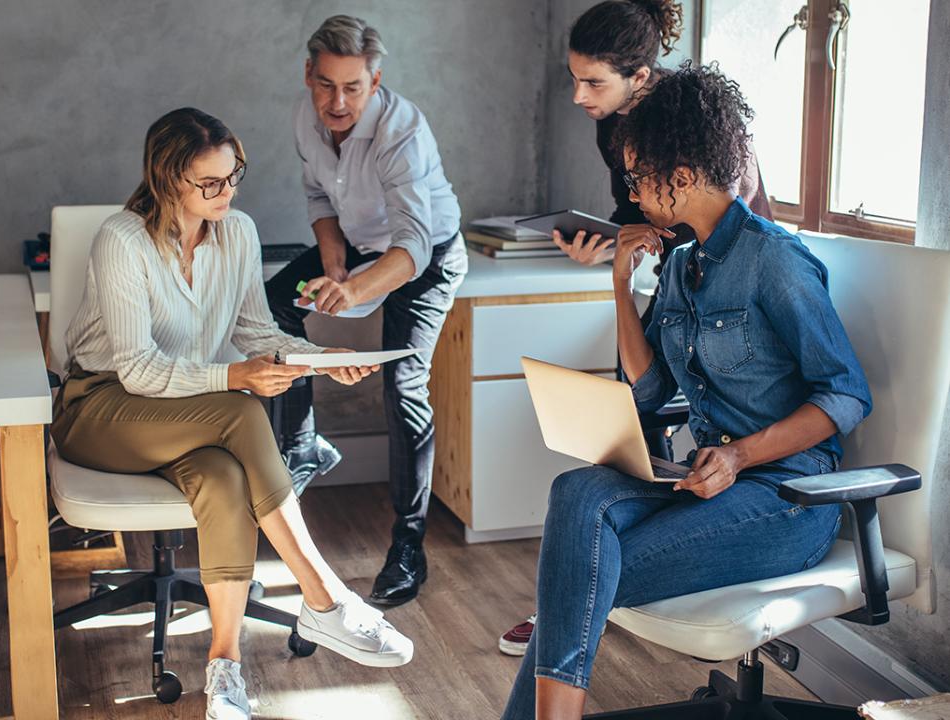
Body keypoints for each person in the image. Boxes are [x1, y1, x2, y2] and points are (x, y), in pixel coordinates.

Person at [500, 63, 872, 720]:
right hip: (701, 476)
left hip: (788, 498)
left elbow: (844, 396)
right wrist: (618, 283)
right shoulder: (679, 262)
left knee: (584, 571)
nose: (632, 192)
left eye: (639, 177)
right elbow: (647, 392)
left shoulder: (773, 262)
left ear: (682, 177)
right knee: (576, 492)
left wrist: (738, 456)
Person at [52, 107, 413, 720]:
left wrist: (321, 358)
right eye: (210, 183)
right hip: (102, 406)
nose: (228, 192)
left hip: (184, 410)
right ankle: (324, 596)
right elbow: (137, 369)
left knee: (223, 477)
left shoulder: (238, 232)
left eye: (233, 176)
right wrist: (234, 377)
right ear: (168, 179)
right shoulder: (122, 240)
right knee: (243, 411)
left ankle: (225, 670)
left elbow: (255, 332)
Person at [499, 0, 773, 657]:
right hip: (676, 276)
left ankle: (589, 590)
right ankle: (587, 586)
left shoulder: (696, 119)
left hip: (728, 284)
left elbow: (727, 207)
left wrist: (647, 239)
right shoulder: (611, 127)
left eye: (593, 82)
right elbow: (634, 213)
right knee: (623, 420)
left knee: (645, 411)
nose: (577, 96)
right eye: (574, 78)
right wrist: (613, 244)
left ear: (641, 77)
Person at [265, 15, 468, 607]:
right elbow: (318, 195)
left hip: (423, 258)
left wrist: (353, 292)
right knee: (273, 304)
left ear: (375, 81)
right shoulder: (308, 117)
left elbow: (414, 245)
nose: (337, 101)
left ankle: (409, 549)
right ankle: (301, 444)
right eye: (326, 84)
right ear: (309, 74)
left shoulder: (401, 131)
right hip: (360, 243)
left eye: (353, 87)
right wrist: (333, 260)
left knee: (403, 386)